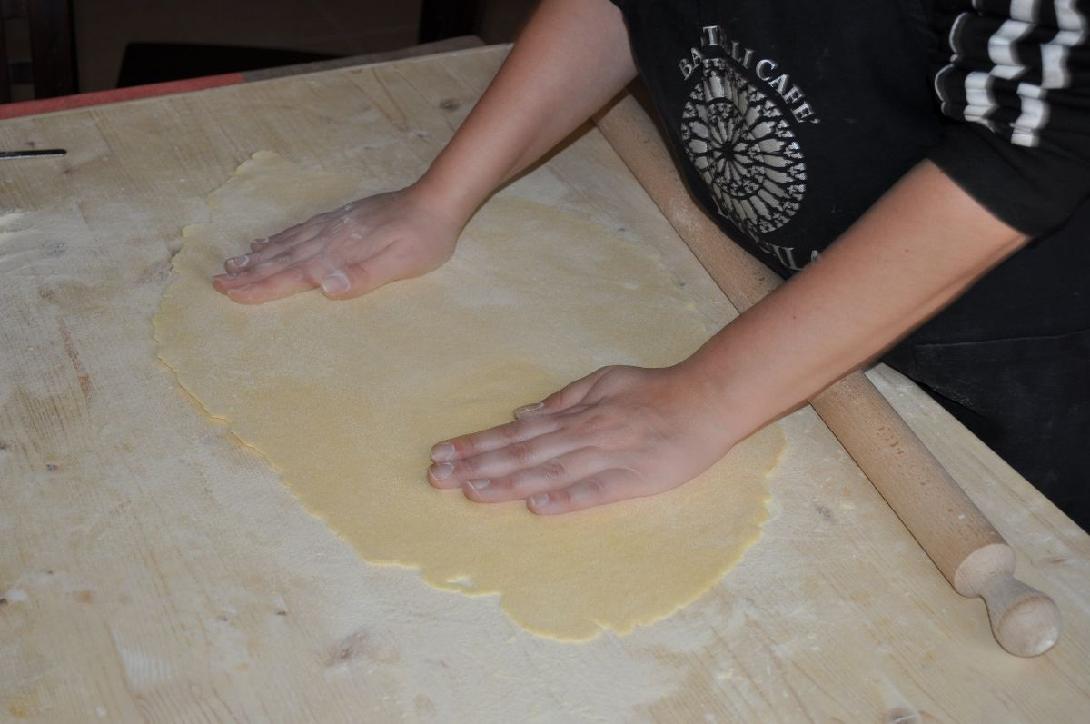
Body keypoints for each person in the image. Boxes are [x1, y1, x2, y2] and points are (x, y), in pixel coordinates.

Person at [212, 0, 1089, 529]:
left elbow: (1034, 145)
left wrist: (708, 396)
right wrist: (440, 198)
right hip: (776, 276)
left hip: (1013, 354)